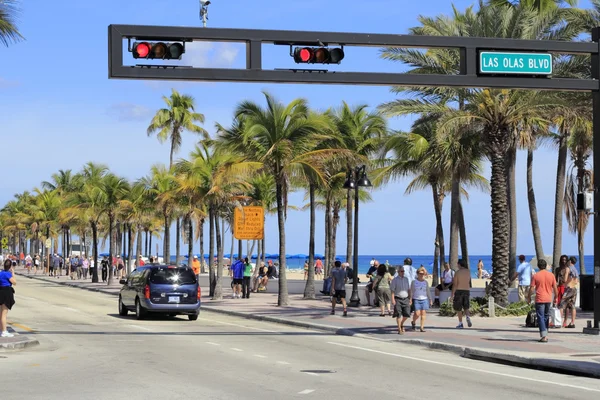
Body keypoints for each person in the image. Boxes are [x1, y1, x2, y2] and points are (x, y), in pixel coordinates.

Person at [528, 259, 558, 343]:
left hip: (540, 298)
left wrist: (528, 297)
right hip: (548, 298)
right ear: (545, 266)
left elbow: (532, 288)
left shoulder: (536, 276)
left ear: (538, 266)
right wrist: (556, 297)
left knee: (540, 317)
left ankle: (544, 335)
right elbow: (555, 288)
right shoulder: (551, 275)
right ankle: (546, 333)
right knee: (546, 316)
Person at [410, 266, 433, 332]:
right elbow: (412, 291)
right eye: (420, 273)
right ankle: (413, 322)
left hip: (424, 299)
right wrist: (410, 299)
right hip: (416, 299)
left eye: (423, 274)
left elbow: (428, 291)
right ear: (417, 274)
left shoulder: (425, 282)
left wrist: (430, 299)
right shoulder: (414, 282)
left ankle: (422, 327)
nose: (421, 275)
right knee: (417, 313)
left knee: (423, 313)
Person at [451, 259, 472, 329]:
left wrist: (452, 294)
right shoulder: (468, 272)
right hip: (466, 290)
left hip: (459, 291)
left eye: (457, 264)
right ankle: (468, 317)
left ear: (459, 264)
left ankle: (460, 323)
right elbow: (468, 281)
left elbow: (455, 284)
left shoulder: (457, 272)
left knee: (458, 308)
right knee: (466, 306)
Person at [559, 256, 579, 328]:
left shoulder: (568, 268)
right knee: (572, 305)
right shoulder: (575, 270)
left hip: (568, 288)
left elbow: (565, 279)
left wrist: (564, 281)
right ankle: (572, 322)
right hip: (574, 288)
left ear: (570, 261)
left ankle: (558, 321)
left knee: (561, 304)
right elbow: (577, 281)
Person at [390, 266, 411, 334]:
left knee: (407, 314)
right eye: (401, 271)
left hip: (406, 298)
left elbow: (409, 289)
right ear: (398, 272)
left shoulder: (406, 279)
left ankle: (401, 323)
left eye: (403, 271)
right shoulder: (395, 280)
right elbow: (392, 291)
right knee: (398, 314)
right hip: (398, 298)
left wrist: (410, 298)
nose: (403, 272)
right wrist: (393, 300)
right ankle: (399, 329)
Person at [0, 259, 17, 338]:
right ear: (10, 266)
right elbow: (14, 282)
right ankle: (4, 331)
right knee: (4, 313)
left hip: (1, 291)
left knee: (1, 313)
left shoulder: (1, 273)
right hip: (6, 292)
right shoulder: (7, 274)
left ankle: (2, 329)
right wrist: (13, 273)